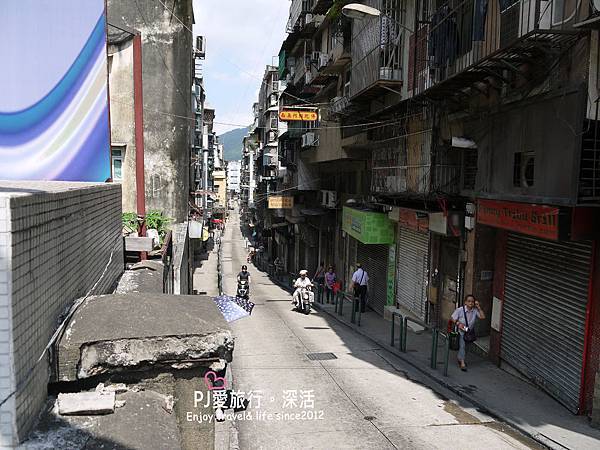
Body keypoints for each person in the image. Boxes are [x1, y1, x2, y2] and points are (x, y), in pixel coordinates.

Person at [451, 294, 485, 371]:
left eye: (472, 302)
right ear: (465, 302)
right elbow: (453, 317)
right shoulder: (460, 310)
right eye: (469, 301)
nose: (471, 303)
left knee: (467, 347)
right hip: (461, 331)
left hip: (470, 332)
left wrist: (479, 307)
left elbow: (482, 317)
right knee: (462, 346)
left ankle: (460, 358)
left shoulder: (475, 311)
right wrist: (458, 323)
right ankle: (462, 363)